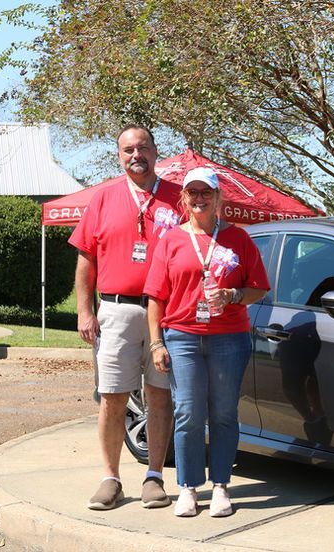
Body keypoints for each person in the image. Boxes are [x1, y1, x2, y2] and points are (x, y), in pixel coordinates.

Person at [143, 167, 269, 517]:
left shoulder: (238, 238)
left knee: (224, 413)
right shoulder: (171, 239)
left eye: (206, 193)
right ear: (184, 198)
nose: (199, 199)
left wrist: (233, 294)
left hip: (229, 338)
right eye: (193, 192)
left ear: (218, 198)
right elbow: (155, 297)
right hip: (182, 337)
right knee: (188, 412)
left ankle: (221, 486)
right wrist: (156, 343)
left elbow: (258, 287)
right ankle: (188, 487)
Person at [70, 124, 183, 510]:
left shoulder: (179, 198)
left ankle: (154, 477)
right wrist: (85, 311)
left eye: (143, 147)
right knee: (113, 397)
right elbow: (86, 260)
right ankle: (111, 479)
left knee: (159, 396)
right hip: (116, 311)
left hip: (166, 313)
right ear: (119, 156)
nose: (137, 155)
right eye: (128, 149)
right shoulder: (103, 198)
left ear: (155, 151)